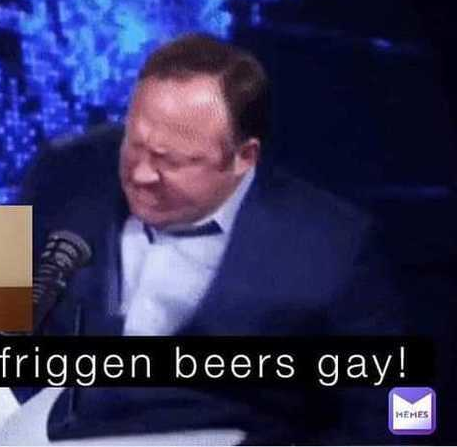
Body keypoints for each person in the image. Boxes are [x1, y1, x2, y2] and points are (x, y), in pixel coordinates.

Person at [21, 33, 404, 444]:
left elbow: (404, 407)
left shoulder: (335, 242)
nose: (141, 174)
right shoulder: (60, 171)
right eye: (134, 144)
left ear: (244, 157)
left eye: (171, 160)